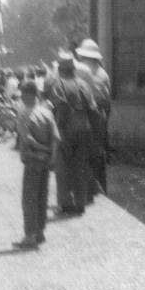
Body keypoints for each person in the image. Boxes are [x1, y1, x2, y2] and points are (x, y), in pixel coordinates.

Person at [13, 80, 61, 249]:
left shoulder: (23, 115)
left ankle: (29, 236)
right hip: (46, 161)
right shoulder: (47, 112)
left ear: (26, 95)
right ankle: (40, 232)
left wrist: (42, 148)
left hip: (33, 160)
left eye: (22, 94)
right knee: (42, 196)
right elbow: (56, 138)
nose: (21, 97)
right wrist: (52, 156)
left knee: (29, 199)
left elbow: (28, 140)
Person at [50, 52, 97, 215]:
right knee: (80, 167)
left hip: (67, 129)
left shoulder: (59, 85)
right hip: (85, 129)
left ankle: (66, 204)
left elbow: (62, 108)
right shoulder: (84, 85)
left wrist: (59, 131)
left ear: (60, 69)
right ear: (73, 68)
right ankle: (80, 203)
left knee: (63, 168)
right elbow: (93, 109)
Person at [75, 38, 111, 199]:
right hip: (100, 115)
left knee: (83, 151)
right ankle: (101, 186)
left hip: (84, 115)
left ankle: (87, 187)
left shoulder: (79, 70)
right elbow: (107, 100)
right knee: (99, 150)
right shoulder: (103, 73)